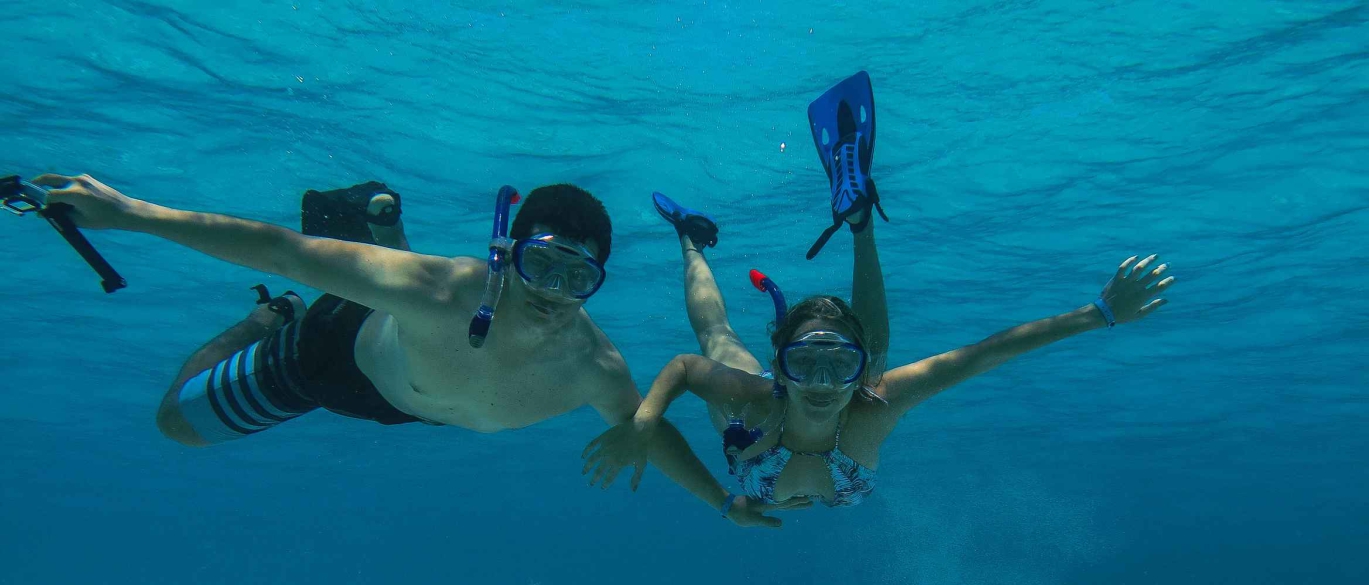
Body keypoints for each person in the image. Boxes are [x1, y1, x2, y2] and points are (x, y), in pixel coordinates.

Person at [31, 172, 794, 527]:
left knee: (382, 309)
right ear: (508, 253)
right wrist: (129, 213)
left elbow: (647, 431)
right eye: (541, 264)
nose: (554, 292)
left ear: (597, 283)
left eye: (578, 276)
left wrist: (723, 500)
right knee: (176, 422)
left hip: (419, 400)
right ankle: (281, 317)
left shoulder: (596, 366)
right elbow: (281, 250)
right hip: (335, 360)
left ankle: (378, 236)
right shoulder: (444, 290)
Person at [582, 72, 1175, 510]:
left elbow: (988, 352)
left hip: (779, 446)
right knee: (721, 337)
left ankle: (856, 226)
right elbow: (686, 367)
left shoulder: (865, 398)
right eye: (806, 362)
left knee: (871, 367)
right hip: (765, 420)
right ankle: (696, 241)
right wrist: (643, 423)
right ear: (780, 367)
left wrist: (1102, 312)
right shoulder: (768, 397)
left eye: (835, 364)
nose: (819, 381)